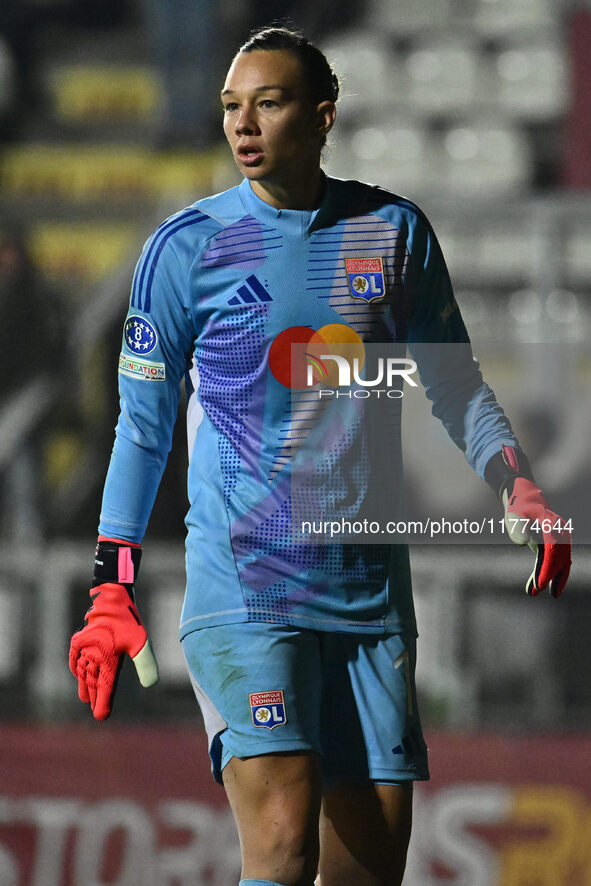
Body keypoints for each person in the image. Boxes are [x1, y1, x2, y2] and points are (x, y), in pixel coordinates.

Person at [69, 26, 572, 886]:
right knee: (281, 836)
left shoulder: (390, 233)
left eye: (268, 102)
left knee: (369, 865)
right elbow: (142, 426)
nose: (245, 124)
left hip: (368, 594)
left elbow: (454, 387)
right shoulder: (185, 250)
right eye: (232, 106)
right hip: (244, 587)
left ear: (323, 114)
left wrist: (515, 481)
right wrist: (110, 581)